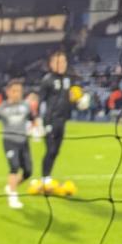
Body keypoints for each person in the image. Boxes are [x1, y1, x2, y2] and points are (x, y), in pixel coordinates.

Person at [0, 78, 35, 210]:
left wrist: (36, 130)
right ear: (8, 92)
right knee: (14, 167)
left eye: (19, 91)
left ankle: (11, 186)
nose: (17, 93)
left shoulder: (26, 106)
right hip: (9, 141)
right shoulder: (1, 108)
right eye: (14, 91)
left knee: (28, 172)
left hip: (24, 142)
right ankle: (13, 197)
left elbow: (33, 119)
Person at [33, 48, 74, 192]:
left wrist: (78, 101)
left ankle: (47, 177)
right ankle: (45, 179)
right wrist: (38, 122)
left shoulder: (69, 79)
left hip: (62, 121)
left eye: (63, 61)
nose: (62, 64)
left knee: (56, 151)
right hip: (49, 121)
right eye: (58, 62)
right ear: (51, 64)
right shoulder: (47, 79)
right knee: (50, 150)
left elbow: (69, 99)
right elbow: (41, 101)